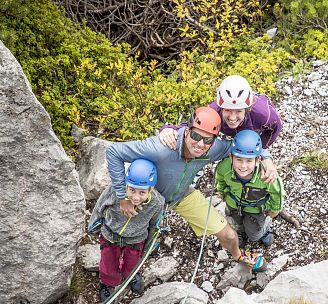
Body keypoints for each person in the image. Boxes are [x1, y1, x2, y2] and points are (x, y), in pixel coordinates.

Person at [106, 107, 268, 272]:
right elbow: (113, 152)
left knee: (229, 235)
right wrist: (122, 197)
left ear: (213, 141)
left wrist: (266, 158)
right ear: (186, 131)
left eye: (207, 140)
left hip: (181, 195)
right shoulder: (161, 148)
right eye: (196, 136)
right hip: (146, 196)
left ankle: (238, 255)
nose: (200, 144)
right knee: (128, 237)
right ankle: (119, 272)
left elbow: (244, 145)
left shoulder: (214, 148)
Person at [159, 75, 282, 183]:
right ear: (221, 108)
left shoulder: (264, 115)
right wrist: (168, 129)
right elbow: (192, 126)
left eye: (238, 111)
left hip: (252, 125)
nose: (232, 118)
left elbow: (276, 127)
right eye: (228, 110)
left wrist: (260, 150)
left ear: (247, 109)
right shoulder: (213, 111)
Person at [88, 159, 165, 302]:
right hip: (110, 234)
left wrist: (150, 244)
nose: (135, 197)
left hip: (136, 238)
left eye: (142, 192)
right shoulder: (115, 191)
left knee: (133, 261)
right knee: (108, 261)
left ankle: (131, 274)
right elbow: (100, 205)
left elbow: (155, 224)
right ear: (127, 184)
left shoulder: (157, 202)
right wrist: (93, 225)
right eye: (132, 190)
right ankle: (108, 282)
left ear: (151, 189)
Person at [216, 130, 285, 249]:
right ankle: (241, 232)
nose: (243, 166)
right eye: (239, 159)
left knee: (254, 235)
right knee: (237, 223)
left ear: (257, 160)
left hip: (256, 209)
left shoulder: (266, 176)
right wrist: (222, 192)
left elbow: (277, 193)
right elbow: (221, 179)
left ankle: (265, 228)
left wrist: (275, 210)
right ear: (231, 157)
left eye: (249, 161)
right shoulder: (224, 167)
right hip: (234, 203)